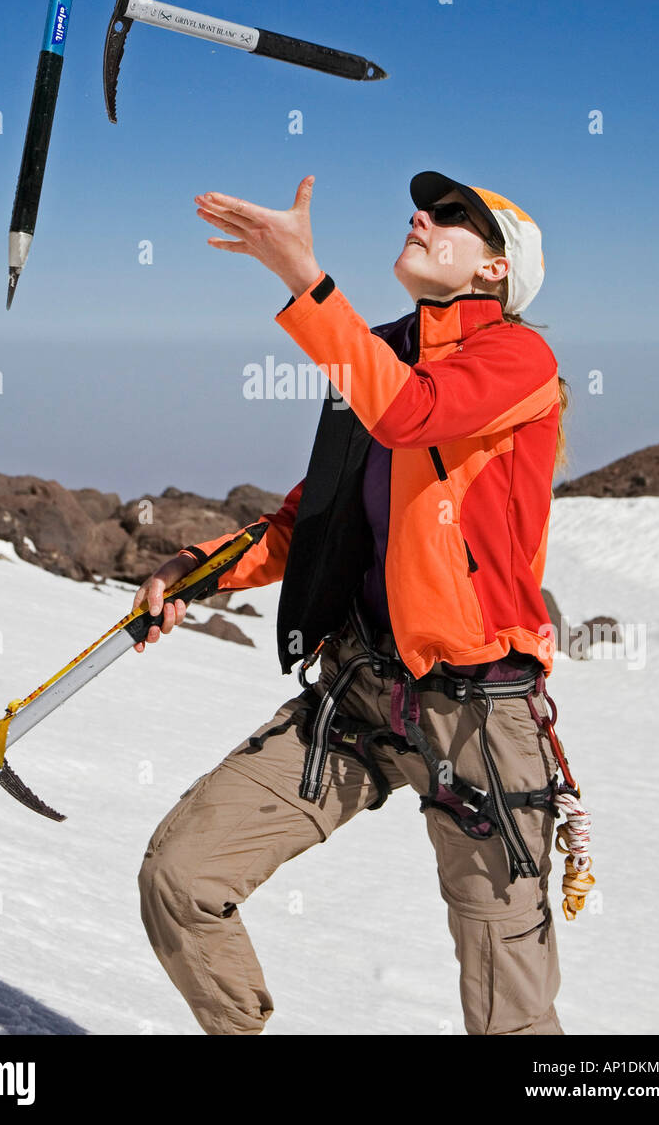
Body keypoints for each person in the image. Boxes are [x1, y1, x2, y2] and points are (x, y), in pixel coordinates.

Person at [133, 169, 570, 1036]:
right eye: (426, 205)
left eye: (454, 218)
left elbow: (415, 414)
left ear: (495, 272)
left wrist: (305, 282)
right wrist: (195, 571)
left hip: (478, 721)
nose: (424, 216)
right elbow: (312, 522)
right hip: (360, 695)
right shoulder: (372, 357)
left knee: (507, 1013)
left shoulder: (519, 359)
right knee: (181, 878)